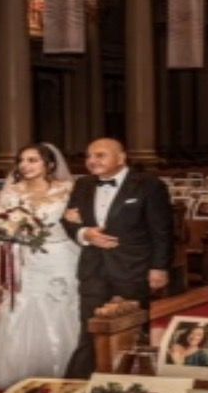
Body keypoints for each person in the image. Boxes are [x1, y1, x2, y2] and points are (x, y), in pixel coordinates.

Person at [61, 138, 173, 379]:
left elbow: (161, 230)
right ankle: (78, 383)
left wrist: (159, 267)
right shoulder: (83, 184)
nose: (92, 161)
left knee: (133, 329)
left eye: (100, 155)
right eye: (89, 156)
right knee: (89, 328)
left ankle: (135, 379)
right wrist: (85, 234)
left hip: (133, 267)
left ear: (121, 158)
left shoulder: (149, 185)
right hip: (93, 267)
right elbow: (68, 221)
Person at [0, 143, 79, 389]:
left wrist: (77, 219)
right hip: (25, 259)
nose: (25, 165)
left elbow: (80, 221)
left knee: (63, 305)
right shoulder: (13, 192)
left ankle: (67, 366)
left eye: (33, 160)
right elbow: (0, 224)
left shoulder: (68, 190)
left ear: (50, 164)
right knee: (21, 305)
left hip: (61, 256)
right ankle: (20, 368)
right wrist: (6, 231)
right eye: (22, 160)